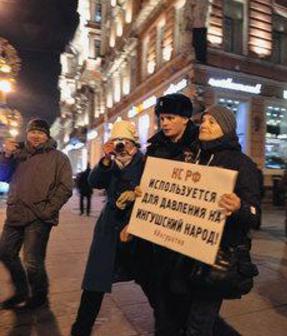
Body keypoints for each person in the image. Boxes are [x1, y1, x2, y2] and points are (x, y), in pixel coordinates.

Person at [169, 104, 261, 335]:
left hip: (214, 258)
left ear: (226, 128)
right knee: (184, 312)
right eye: (203, 121)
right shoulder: (195, 159)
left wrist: (239, 207)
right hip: (186, 252)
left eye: (212, 122)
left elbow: (254, 215)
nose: (204, 126)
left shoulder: (242, 164)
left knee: (199, 323)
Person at [71, 121, 144, 336]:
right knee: (95, 278)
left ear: (134, 143)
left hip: (135, 226)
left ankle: (168, 324)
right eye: (116, 141)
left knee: (150, 279)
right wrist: (105, 159)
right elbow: (95, 182)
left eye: (125, 142)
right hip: (109, 226)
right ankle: (81, 328)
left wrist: (137, 195)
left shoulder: (145, 162)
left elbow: (154, 189)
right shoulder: (110, 163)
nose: (121, 146)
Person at [136, 93, 200, 335]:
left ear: (185, 119)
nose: (164, 123)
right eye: (162, 118)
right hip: (158, 234)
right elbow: (146, 180)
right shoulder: (155, 149)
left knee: (183, 290)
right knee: (159, 289)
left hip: (188, 235)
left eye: (170, 117)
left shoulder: (200, 147)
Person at [0, 118, 73, 310]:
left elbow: (65, 187)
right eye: (33, 131)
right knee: (5, 252)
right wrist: (6, 155)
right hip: (15, 212)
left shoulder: (59, 158)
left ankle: (40, 295)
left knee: (32, 261)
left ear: (47, 135)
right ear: (27, 133)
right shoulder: (18, 154)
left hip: (39, 217)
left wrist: (47, 210)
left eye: (40, 132)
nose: (36, 135)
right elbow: (2, 176)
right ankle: (21, 291)